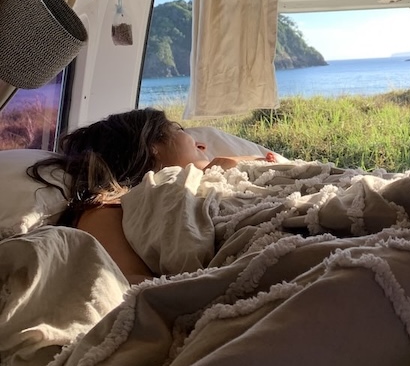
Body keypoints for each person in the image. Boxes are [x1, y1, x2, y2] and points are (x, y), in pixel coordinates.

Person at [28, 108, 269, 283]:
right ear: (153, 145)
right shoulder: (105, 209)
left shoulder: (208, 175)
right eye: (180, 131)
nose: (203, 145)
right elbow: (134, 285)